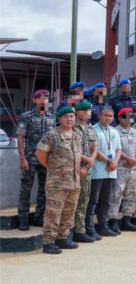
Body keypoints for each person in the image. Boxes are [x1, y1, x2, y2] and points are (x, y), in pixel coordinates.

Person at [36, 106, 82, 254]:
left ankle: (63, 238)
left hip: (74, 181)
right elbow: (40, 153)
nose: (70, 119)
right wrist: (52, 168)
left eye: (72, 116)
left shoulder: (76, 135)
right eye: (66, 117)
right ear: (60, 119)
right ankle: (48, 242)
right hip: (57, 183)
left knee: (69, 211)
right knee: (53, 213)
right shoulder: (52, 135)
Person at [17, 89, 56, 230]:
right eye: (39, 97)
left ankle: (39, 217)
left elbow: (54, 140)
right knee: (26, 189)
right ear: (34, 100)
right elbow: (20, 138)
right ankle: (23, 219)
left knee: (44, 189)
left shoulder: (52, 117)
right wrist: (22, 159)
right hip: (30, 158)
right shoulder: (26, 116)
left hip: (46, 160)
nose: (43, 100)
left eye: (45, 97)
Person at [89, 107, 122, 237]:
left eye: (110, 116)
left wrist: (115, 162)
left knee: (106, 200)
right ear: (100, 116)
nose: (108, 118)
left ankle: (103, 225)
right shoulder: (93, 130)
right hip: (98, 171)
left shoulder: (114, 131)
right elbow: (94, 150)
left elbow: (119, 149)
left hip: (111, 172)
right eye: (105, 116)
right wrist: (109, 162)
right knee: (93, 200)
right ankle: (89, 226)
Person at [110, 108, 136, 233]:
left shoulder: (135, 132)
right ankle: (112, 221)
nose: (128, 118)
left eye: (130, 115)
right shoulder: (114, 132)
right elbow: (114, 149)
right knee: (116, 194)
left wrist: (135, 159)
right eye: (125, 115)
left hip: (134, 169)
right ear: (119, 118)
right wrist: (128, 158)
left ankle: (127, 220)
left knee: (132, 194)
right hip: (120, 168)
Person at [72, 101, 98, 243]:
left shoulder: (90, 128)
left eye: (89, 110)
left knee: (84, 201)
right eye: (85, 110)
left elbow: (95, 147)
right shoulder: (71, 128)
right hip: (73, 170)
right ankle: (69, 230)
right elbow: (72, 149)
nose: (88, 112)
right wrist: (86, 161)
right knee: (71, 201)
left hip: (86, 170)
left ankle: (80, 230)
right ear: (78, 112)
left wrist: (88, 163)